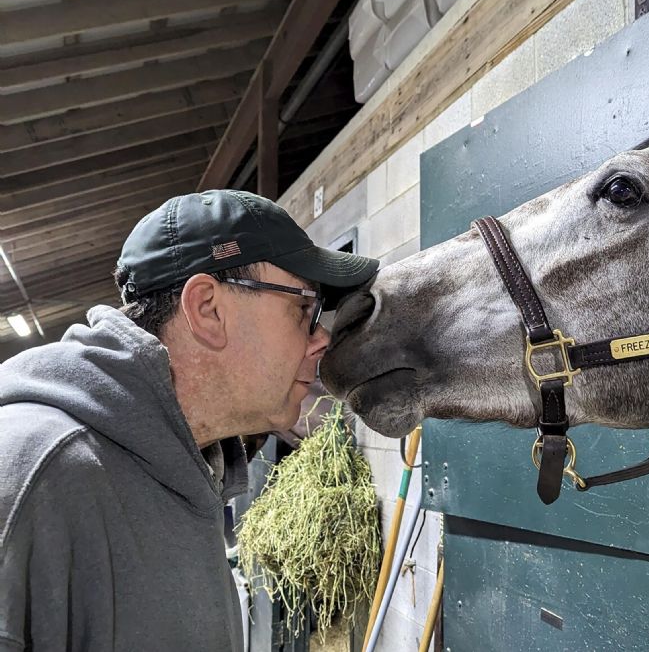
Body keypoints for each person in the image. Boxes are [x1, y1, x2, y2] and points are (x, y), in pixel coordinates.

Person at [0, 189, 378, 652]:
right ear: (207, 309)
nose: (321, 337)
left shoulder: (191, 472)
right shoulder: (29, 472)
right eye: (304, 308)